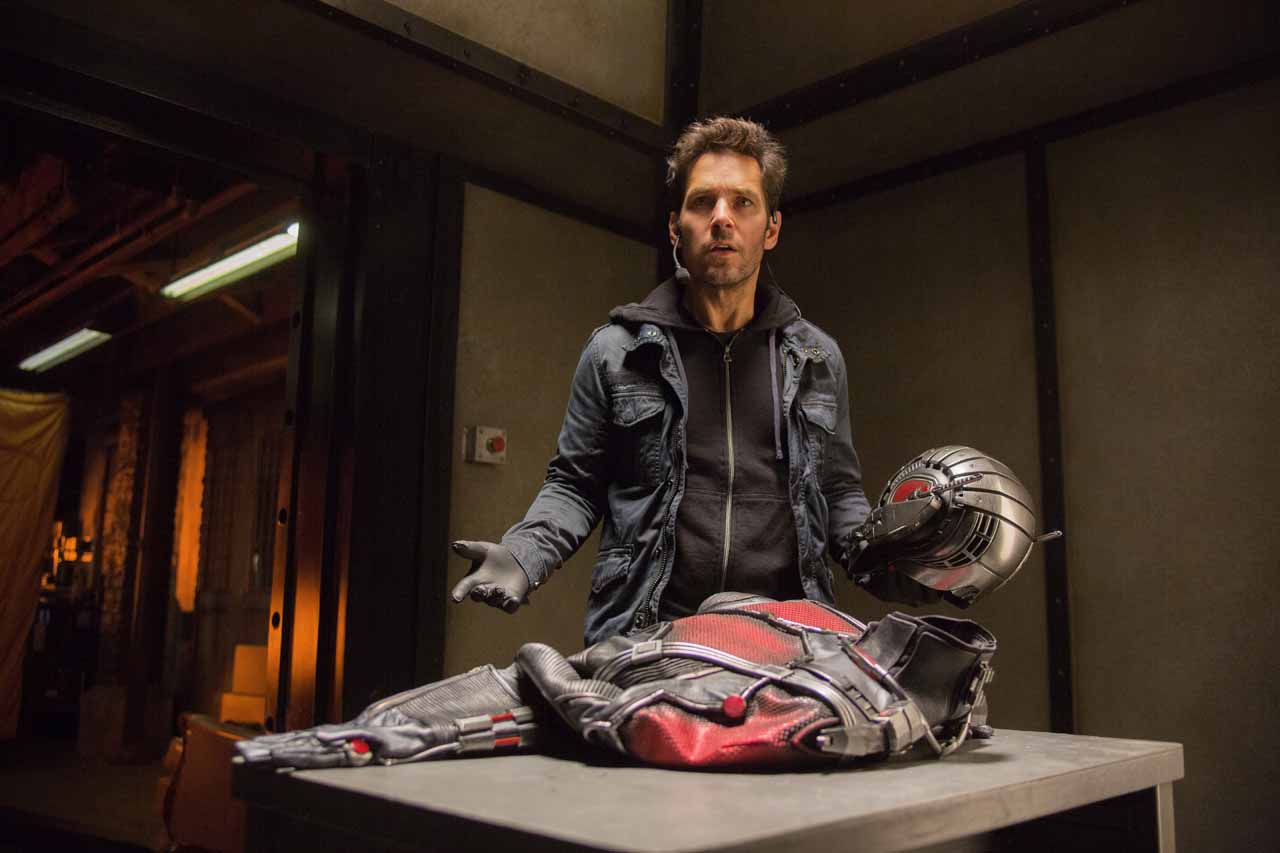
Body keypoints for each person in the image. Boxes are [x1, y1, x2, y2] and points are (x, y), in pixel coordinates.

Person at [451, 117, 913, 646]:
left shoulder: (817, 358)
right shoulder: (616, 352)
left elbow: (837, 491)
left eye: (743, 202)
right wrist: (523, 555)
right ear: (676, 227)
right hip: (647, 636)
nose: (722, 218)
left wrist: (894, 561)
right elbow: (575, 484)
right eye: (703, 202)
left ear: (771, 228)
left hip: (787, 642)